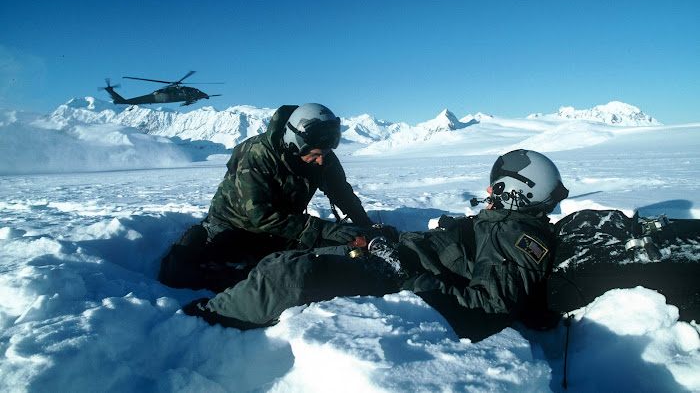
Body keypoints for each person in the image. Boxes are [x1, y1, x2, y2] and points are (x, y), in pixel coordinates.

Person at [182, 149, 570, 340]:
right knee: (293, 253)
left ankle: (206, 319)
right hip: (396, 254)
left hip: (397, 272)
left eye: (496, 184)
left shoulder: (518, 238)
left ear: (514, 191)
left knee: (290, 273)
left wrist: (410, 275)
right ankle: (223, 285)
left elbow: (489, 310)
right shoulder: (505, 222)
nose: (488, 190)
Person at [158, 103, 374, 292]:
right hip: (236, 225)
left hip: (283, 223)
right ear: (295, 143)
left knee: (308, 256)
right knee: (230, 272)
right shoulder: (257, 154)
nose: (320, 161)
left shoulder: (322, 154)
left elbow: (342, 192)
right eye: (316, 155)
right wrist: (322, 229)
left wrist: (365, 225)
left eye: (324, 155)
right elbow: (261, 215)